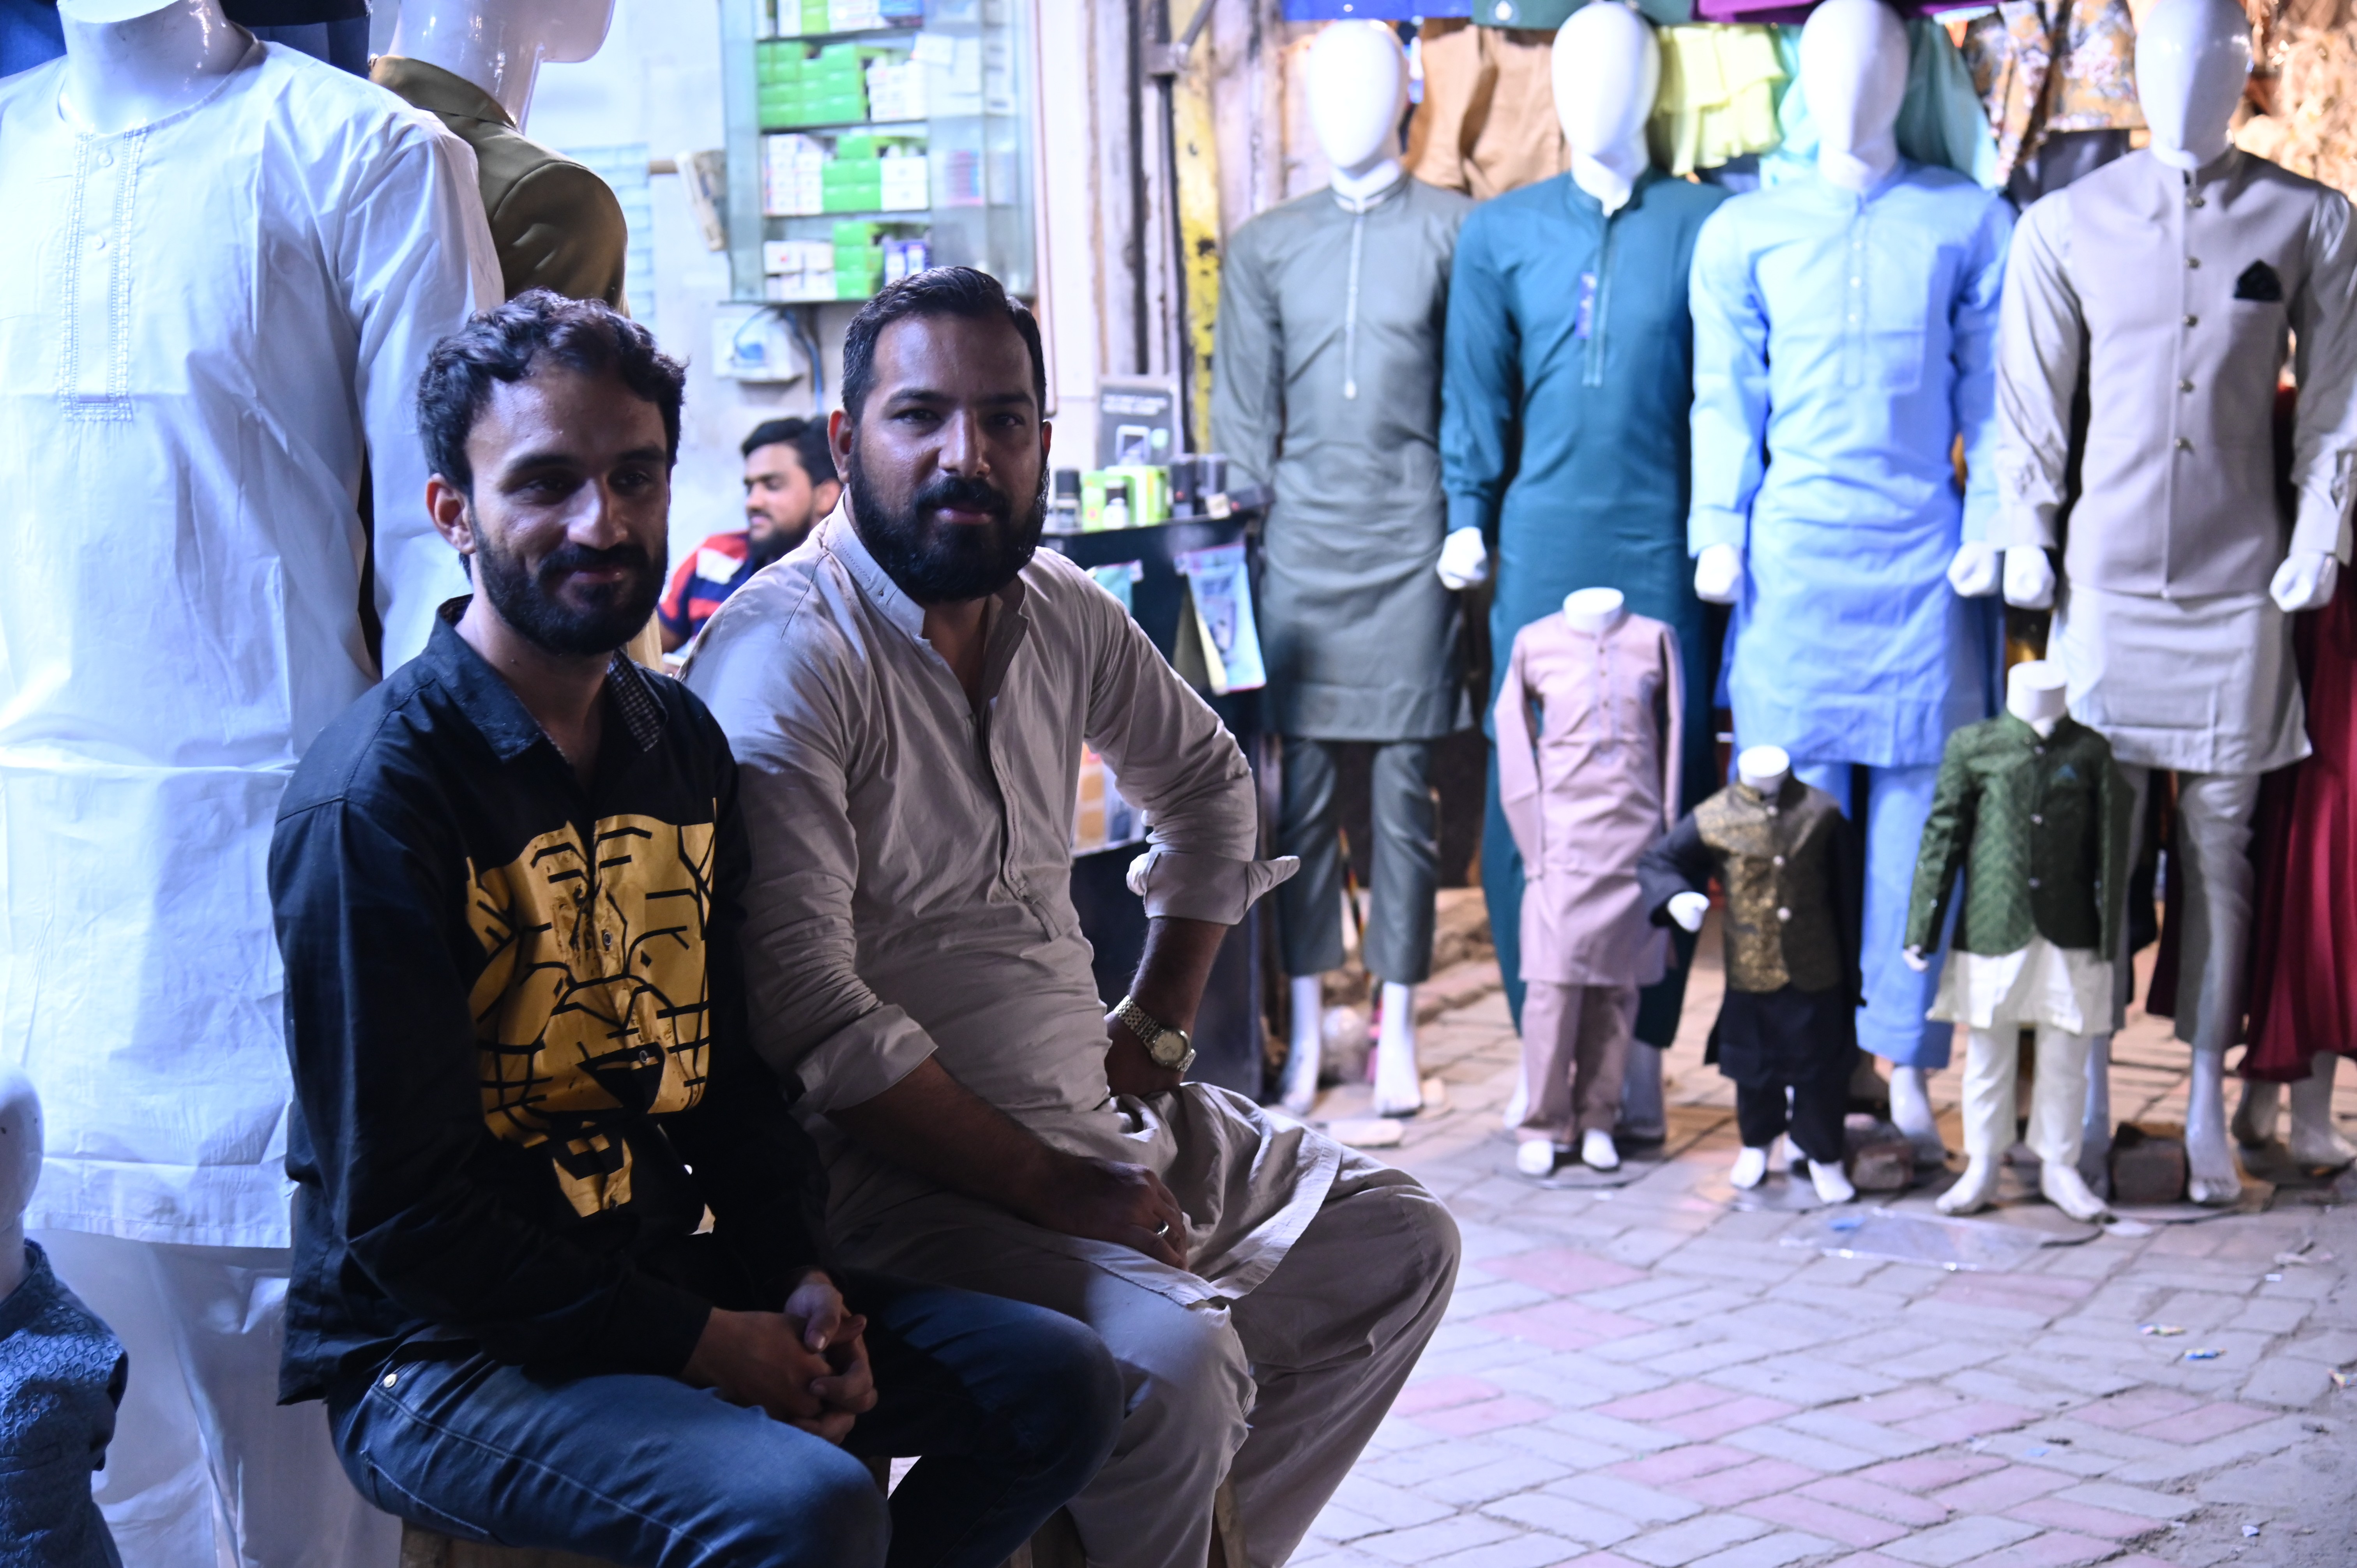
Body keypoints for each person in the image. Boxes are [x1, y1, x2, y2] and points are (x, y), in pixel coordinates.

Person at [269, 291, 1122, 1568]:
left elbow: (731, 1078)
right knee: (812, 1504)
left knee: (1054, 1382)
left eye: (634, 477)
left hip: (664, 1274)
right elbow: (404, 1217)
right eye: (545, 484)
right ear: (451, 511)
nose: (599, 523)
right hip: (436, 1358)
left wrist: (797, 1279)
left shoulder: (674, 743)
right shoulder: (381, 797)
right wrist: (708, 1342)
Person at [686, 267, 1462, 1568]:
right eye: (920, 416)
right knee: (1175, 1367)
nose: (965, 456)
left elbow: (1213, 790)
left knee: (1393, 1242)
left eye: (1004, 421)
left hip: (1091, 1117)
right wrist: (1050, 1181)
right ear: (843, 443)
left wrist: (1155, 1031)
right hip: (892, 1177)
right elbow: (812, 1010)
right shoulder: (789, 656)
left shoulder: (1056, 609)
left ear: (1044, 440)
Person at [661, 417, 844, 650]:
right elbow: (647, 648)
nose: (752, 502)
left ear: (824, 496)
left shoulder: (845, 587)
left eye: (772, 485)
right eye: (750, 487)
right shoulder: (713, 557)